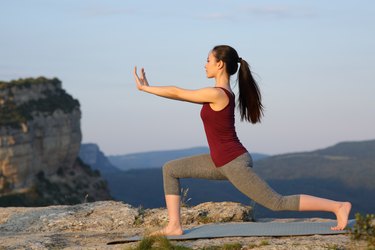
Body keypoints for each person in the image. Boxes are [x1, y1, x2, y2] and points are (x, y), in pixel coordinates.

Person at [133, 45, 351, 236]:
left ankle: (338, 206)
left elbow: (177, 93)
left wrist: (146, 88)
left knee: (276, 202)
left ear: (220, 64)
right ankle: (174, 226)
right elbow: (179, 94)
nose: (204, 64)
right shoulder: (220, 92)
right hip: (219, 161)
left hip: (233, 162)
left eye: (208, 60)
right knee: (170, 169)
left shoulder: (218, 93)